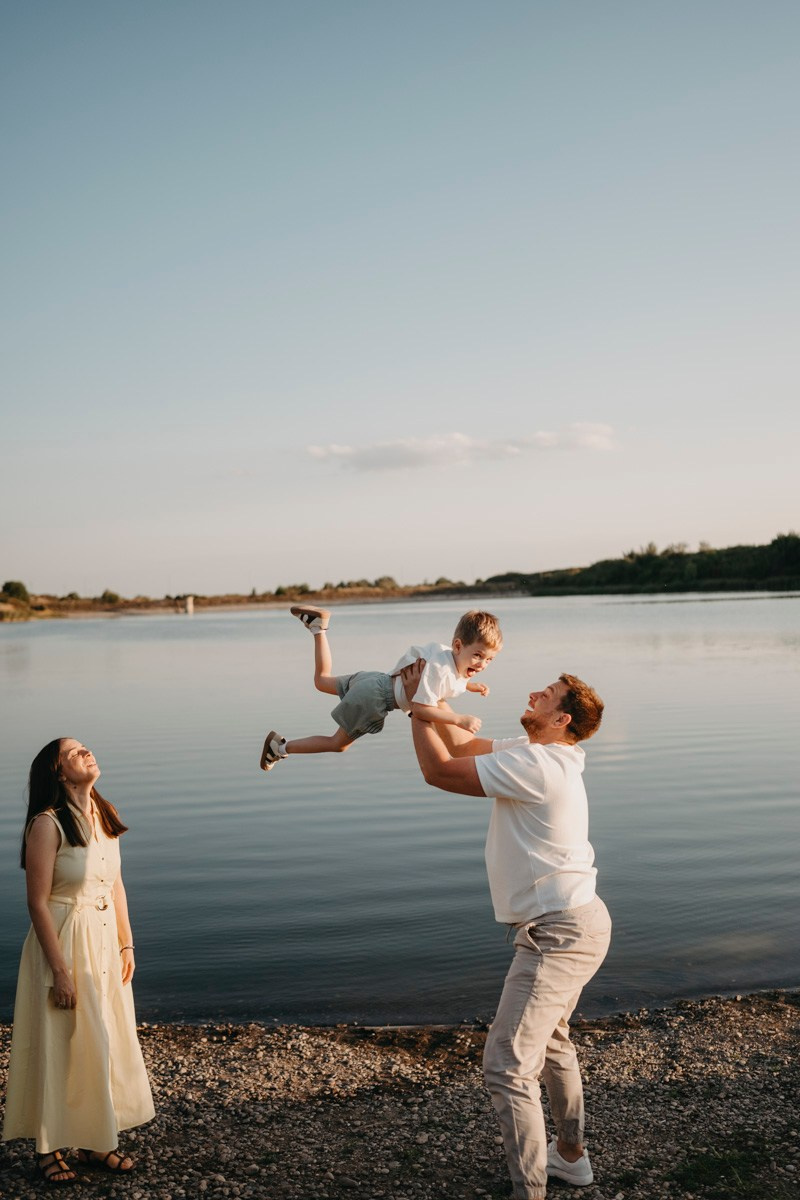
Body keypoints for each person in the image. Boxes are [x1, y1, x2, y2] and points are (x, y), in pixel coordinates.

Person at [403, 664, 610, 1200]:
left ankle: (531, 1190)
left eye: (548, 694)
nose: (535, 691)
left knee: (507, 1065)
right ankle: (571, 1160)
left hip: (558, 932)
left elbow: (440, 771)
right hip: (581, 921)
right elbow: (464, 743)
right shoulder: (541, 750)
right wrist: (433, 694)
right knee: (554, 1041)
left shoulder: (539, 764)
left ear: (561, 718)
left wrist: (413, 707)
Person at [2, 739, 154, 1185]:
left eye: (86, 747)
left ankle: (93, 1139)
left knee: (102, 1038)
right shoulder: (47, 825)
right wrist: (60, 971)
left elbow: (116, 885)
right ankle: (47, 1148)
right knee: (59, 1041)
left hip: (105, 941)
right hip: (64, 940)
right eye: (74, 752)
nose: (86, 753)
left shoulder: (103, 813)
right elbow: (36, 904)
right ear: (59, 772)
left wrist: (127, 944)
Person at [260, 607, 502, 770]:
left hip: (375, 680)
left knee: (322, 680)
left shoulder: (445, 655)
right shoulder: (441, 670)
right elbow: (421, 710)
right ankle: (280, 747)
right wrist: (458, 719)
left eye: (489, 660)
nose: (482, 664)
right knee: (337, 744)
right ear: (458, 646)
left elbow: (449, 678)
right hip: (375, 699)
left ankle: (317, 628)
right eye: (478, 656)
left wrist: (470, 686)